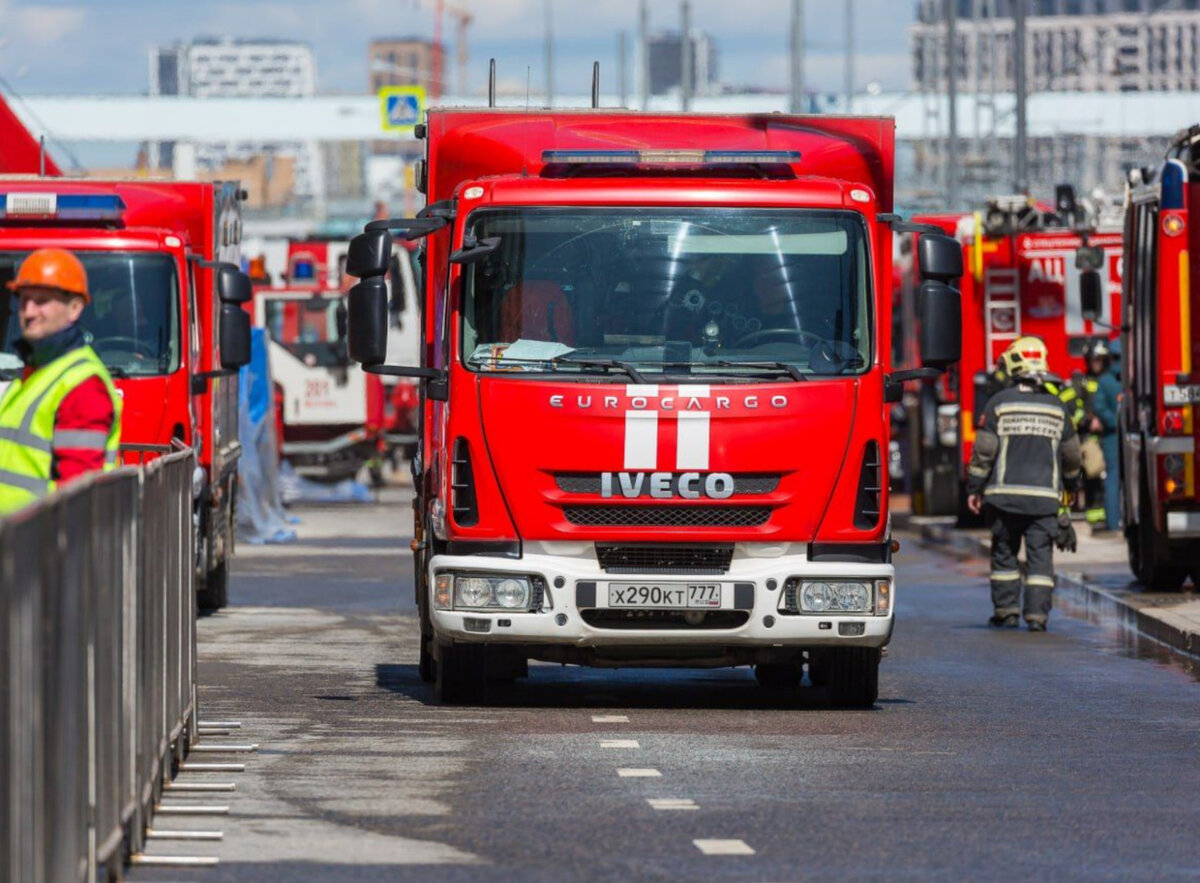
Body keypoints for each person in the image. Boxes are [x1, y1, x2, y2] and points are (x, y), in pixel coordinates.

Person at [965, 335, 1082, 631]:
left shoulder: (998, 404)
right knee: (1040, 560)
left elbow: (984, 452)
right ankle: (1037, 617)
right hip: (1044, 501)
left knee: (1004, 554)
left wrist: (974, 488)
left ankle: (1006, 611)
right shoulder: (1057, 407)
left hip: (1003, 499)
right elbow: (1072, 457)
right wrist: (1071, 491)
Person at [0, 248, 122, 515]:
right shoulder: (36, 370)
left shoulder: (83, 384)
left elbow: (76, 495)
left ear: (75, 307)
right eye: (23, 300)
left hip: (38, 547)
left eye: (41, 300)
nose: (28, 311)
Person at [1091, 337, 1122, 533]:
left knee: (1112, 477)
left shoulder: (1105, 380)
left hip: (1112, 435)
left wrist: (1114, 421)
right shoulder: (1134, 376)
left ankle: (1113, 522)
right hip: (1134, 432)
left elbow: (1099, 407)